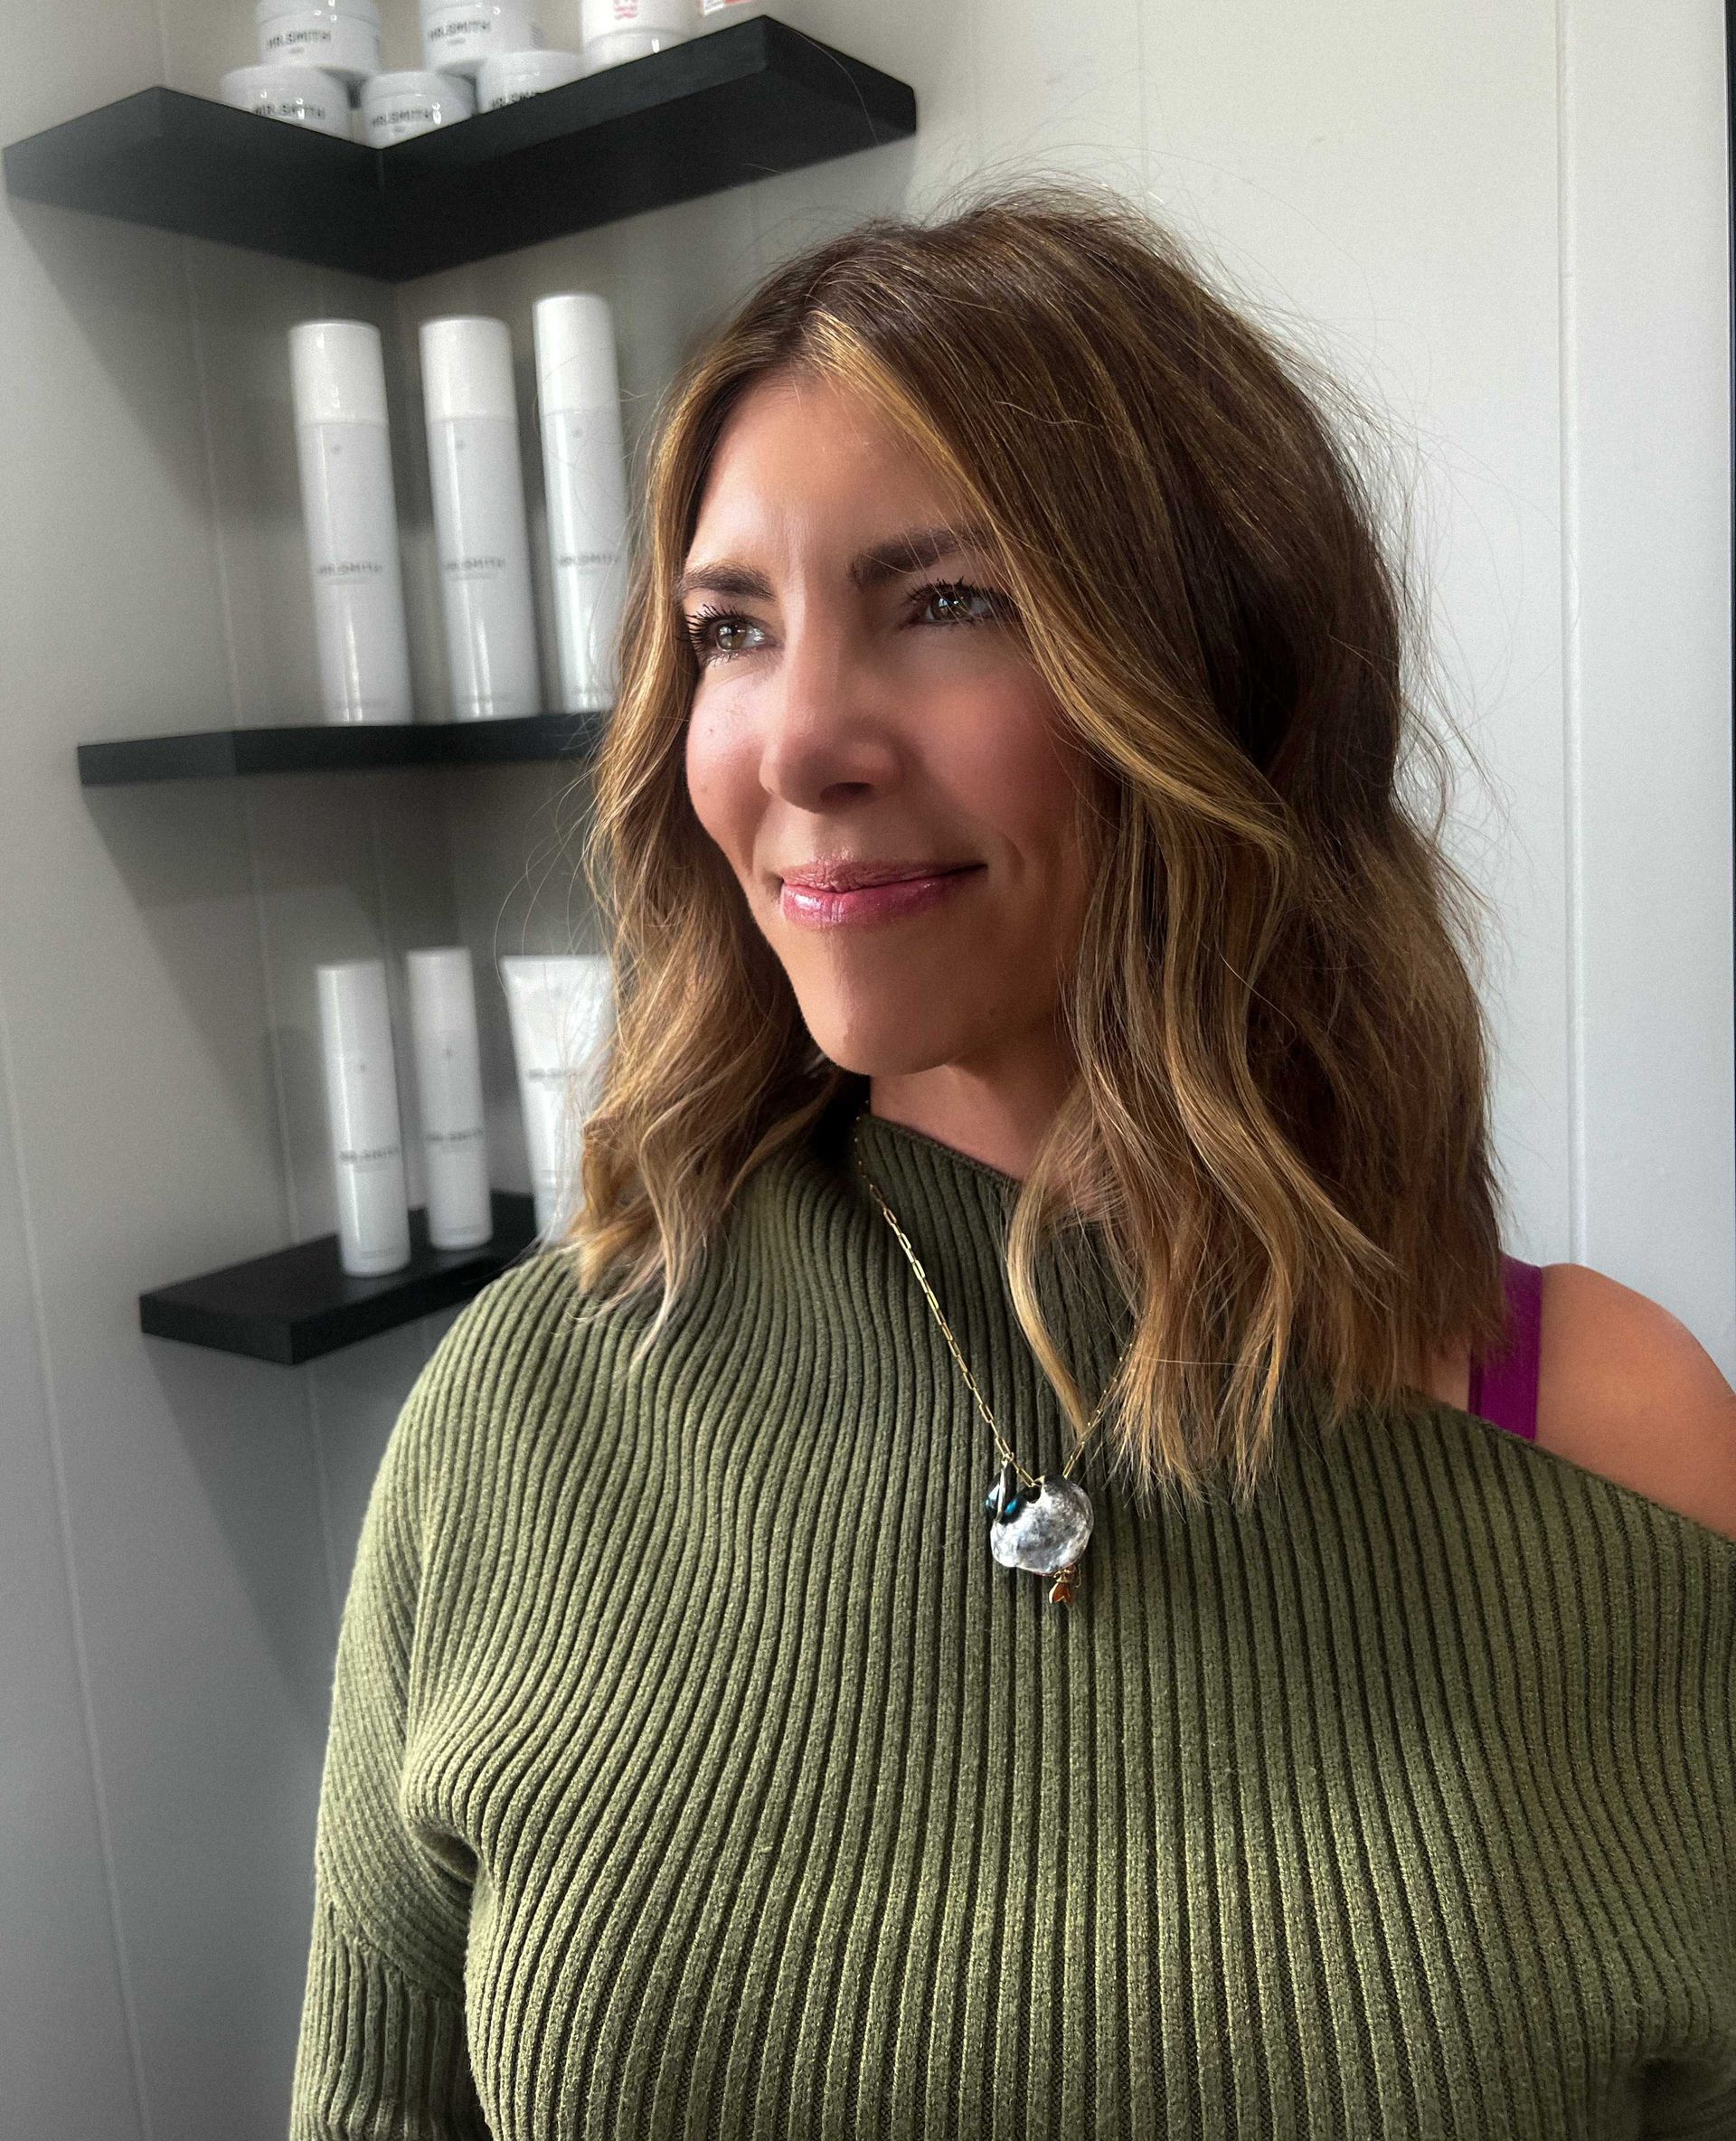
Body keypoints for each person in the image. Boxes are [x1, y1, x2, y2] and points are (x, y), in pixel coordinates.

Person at [288, 183, 1735, 2139]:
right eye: (732, 627)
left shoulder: (1604, 1431)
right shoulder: (519, 1424)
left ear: (1224, 674)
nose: (800, 737)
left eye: (947, 599)